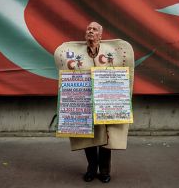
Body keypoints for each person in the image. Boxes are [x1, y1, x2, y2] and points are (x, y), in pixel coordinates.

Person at [54, 21, 134, 183]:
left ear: (100, 34)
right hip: (84, 99)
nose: (90, 31)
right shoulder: (77, 53)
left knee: (107, 136)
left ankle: (104, 171)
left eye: (94, 29)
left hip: (105, 99)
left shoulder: (110, 53)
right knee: (87, 136)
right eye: (88, 29)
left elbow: (122, 72)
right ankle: (91, 168)